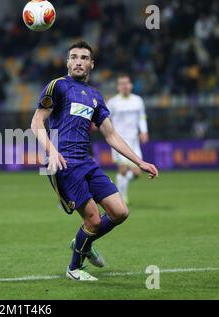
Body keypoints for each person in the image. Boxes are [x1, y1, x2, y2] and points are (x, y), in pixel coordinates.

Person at [31, 41, 158, 281]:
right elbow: (36, 122)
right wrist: (52, 150)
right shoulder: (57, 86)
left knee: (120, 212)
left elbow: (110, 135)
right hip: (63, 162)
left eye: (84, 58)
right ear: (68, 62)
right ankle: (74, 268)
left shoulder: (95, 96)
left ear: (91, 64)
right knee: (92, 219)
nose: (78, 61)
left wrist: (138, 162)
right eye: (74, 57)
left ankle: (83, 242)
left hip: (86, 161)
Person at [107, 74, 149, 204]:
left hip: (133, 141)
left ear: (131, 85)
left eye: (127, 83)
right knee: (123, 169)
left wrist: (144, 131)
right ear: (118, 86)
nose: (124, 86)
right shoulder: (112, 102)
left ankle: (118, 187)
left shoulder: (138, 100)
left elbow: (142, 117)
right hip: (119, 141)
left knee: (137, 173)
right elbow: (105, 120)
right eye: (121, 83)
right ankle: (122, 198)